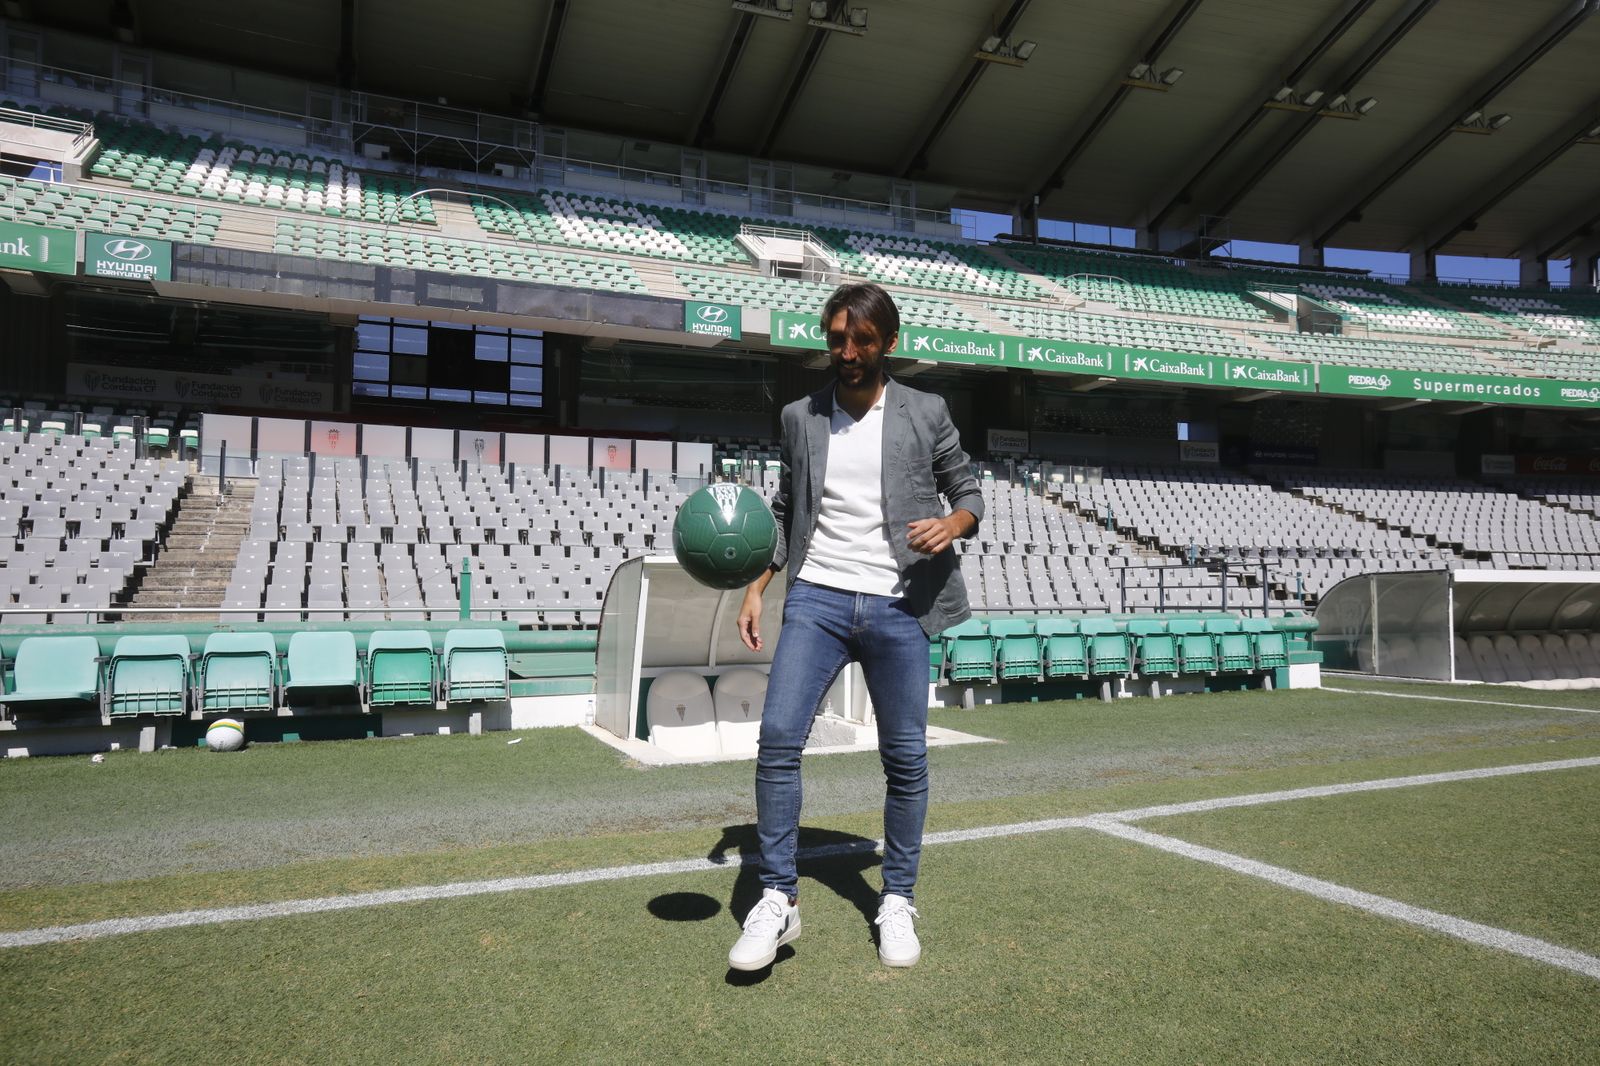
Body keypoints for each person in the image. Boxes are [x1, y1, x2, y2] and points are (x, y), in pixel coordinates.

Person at [727, 282, 983, 971]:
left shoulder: (925, 411)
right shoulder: (798, 415)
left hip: (902, 603)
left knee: (905, 759)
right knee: (778, 737)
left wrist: (952, 523)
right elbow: (784, 512)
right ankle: (778, 898)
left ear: (887, 343)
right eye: (837, 338)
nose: (847, 352)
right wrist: (756, 590)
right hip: (818, 598)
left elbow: (969, 493)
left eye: (861, 340)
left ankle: (896, 898)